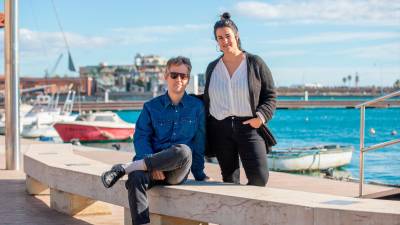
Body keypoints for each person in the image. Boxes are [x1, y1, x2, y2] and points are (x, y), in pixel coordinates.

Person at [101, 56, 209, 225]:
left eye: (183, 76)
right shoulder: (151, 107)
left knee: (184, 150)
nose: (178, 79)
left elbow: (198, 143)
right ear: (165, 76)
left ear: (188, 79)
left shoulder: (197, 107)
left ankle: (124, 168)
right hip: (151, 169)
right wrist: (152, 163)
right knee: (136, 177)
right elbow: (141, 137)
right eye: (174, 75)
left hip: (177, 170)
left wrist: (200, 174)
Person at [203, 12, 277, 187]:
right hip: (220, 129)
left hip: (249, 126)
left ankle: (254, 212)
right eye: (219, 38)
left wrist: (260, 118)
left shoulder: (254, 63)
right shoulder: (212, 68)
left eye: (227, 36)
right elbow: (208, 98)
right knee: (229, 181)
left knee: (260, 177)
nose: (224, 41)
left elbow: (270, 95)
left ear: (236, 36)